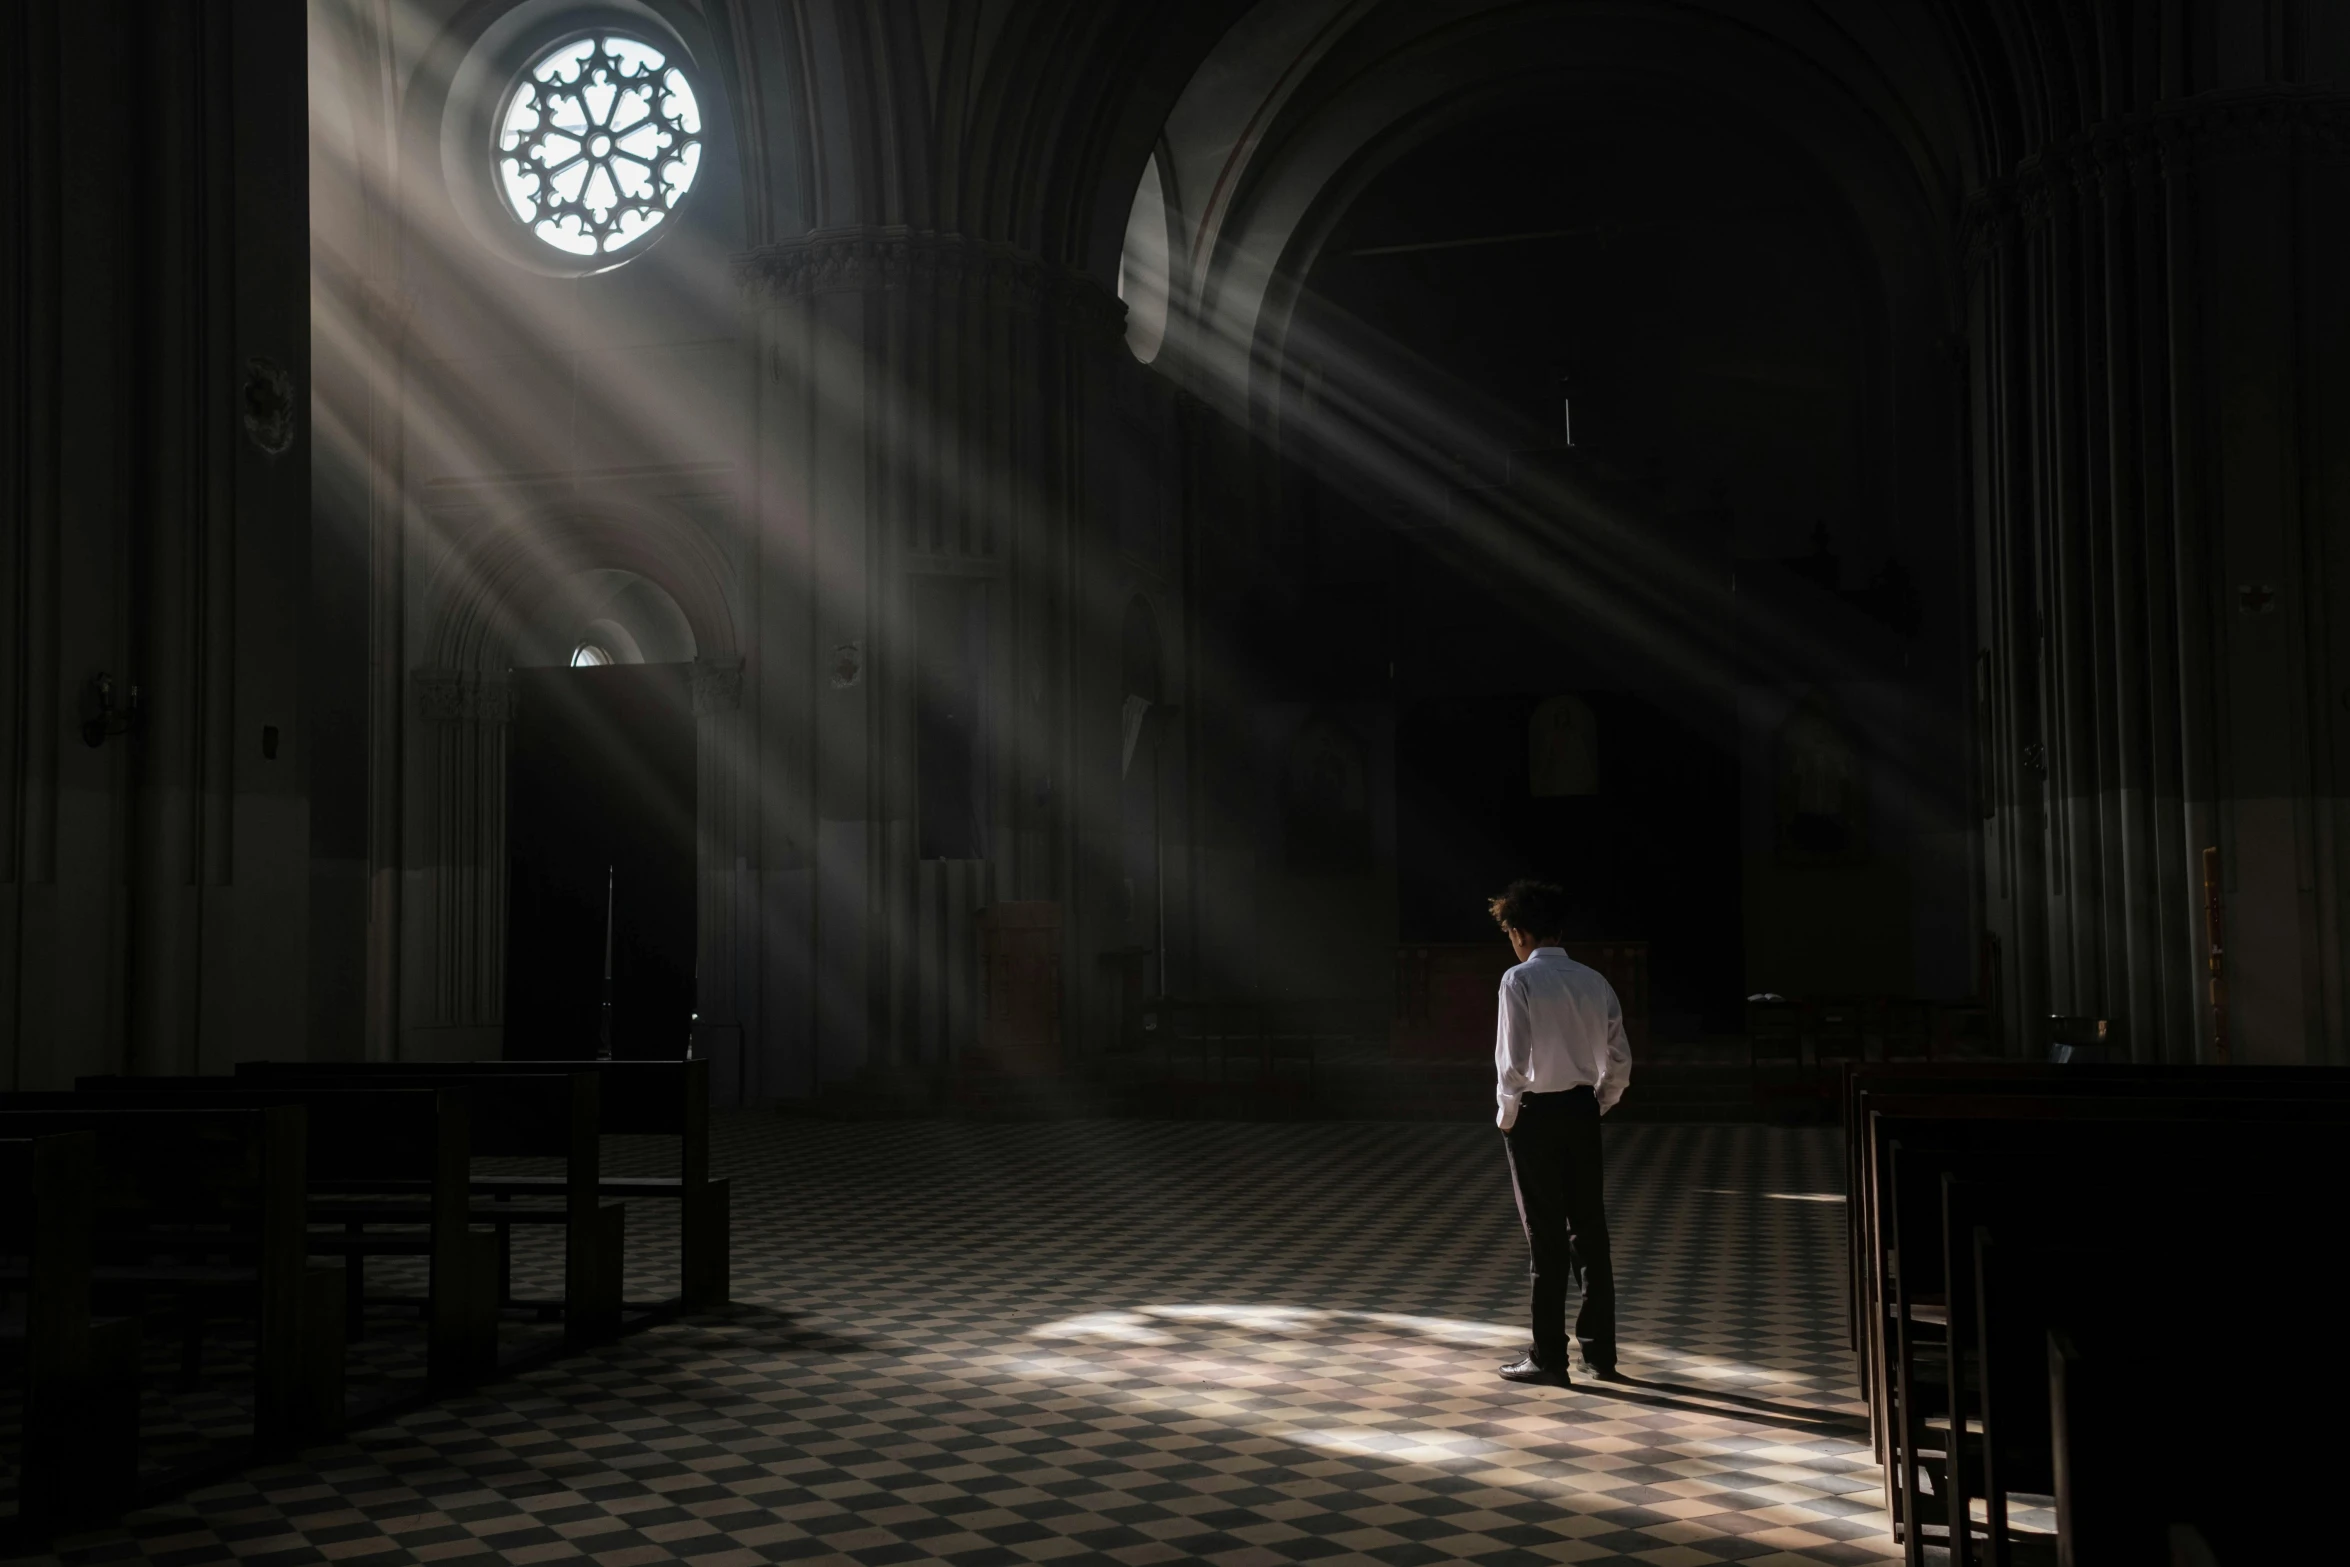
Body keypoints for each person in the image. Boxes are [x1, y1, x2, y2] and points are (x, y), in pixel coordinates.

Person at [1488, 879, 1630, 1386]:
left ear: (1520, 932)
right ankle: (1601, 1354)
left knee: (1544, 1238)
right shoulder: (1594, 980)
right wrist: (1601, 1101)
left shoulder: (1518, 981)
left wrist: (1509, 1114)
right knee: (1589, 1232)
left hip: (1535, 1114)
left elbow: (1513, 1059)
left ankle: (1549, 1357)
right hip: (1580, 1110)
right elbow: (1618, 1056)